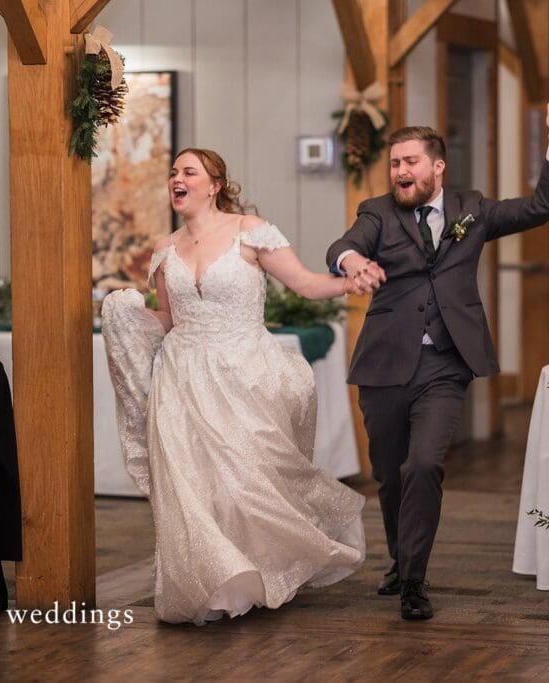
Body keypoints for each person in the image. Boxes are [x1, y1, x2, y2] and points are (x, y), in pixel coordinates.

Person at [326, 80, 549, 620]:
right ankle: (400, 561)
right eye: (394, 163)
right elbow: (343, 246)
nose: (400, 171)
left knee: (423, 465)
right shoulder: (377, 212)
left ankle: (413, 581)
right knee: (391, 475)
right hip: (384, 363)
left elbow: (541, 205)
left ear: (437, 166)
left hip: (444, 363)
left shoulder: (472, 209)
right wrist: (352, 262)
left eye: (410, 162)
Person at [102, 148, 372, 625]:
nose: (177, 179)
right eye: (173, 173)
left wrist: (348, 284)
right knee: (192, 486)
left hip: (245, 370)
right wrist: (127, 315)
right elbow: (168, 318)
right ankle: (215, 582)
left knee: (247, 481)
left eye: (189, 172)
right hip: (182, 376)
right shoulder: (165, 248)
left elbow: (306, 284)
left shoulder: (250, 232)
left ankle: (262, 571)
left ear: (214, 185)